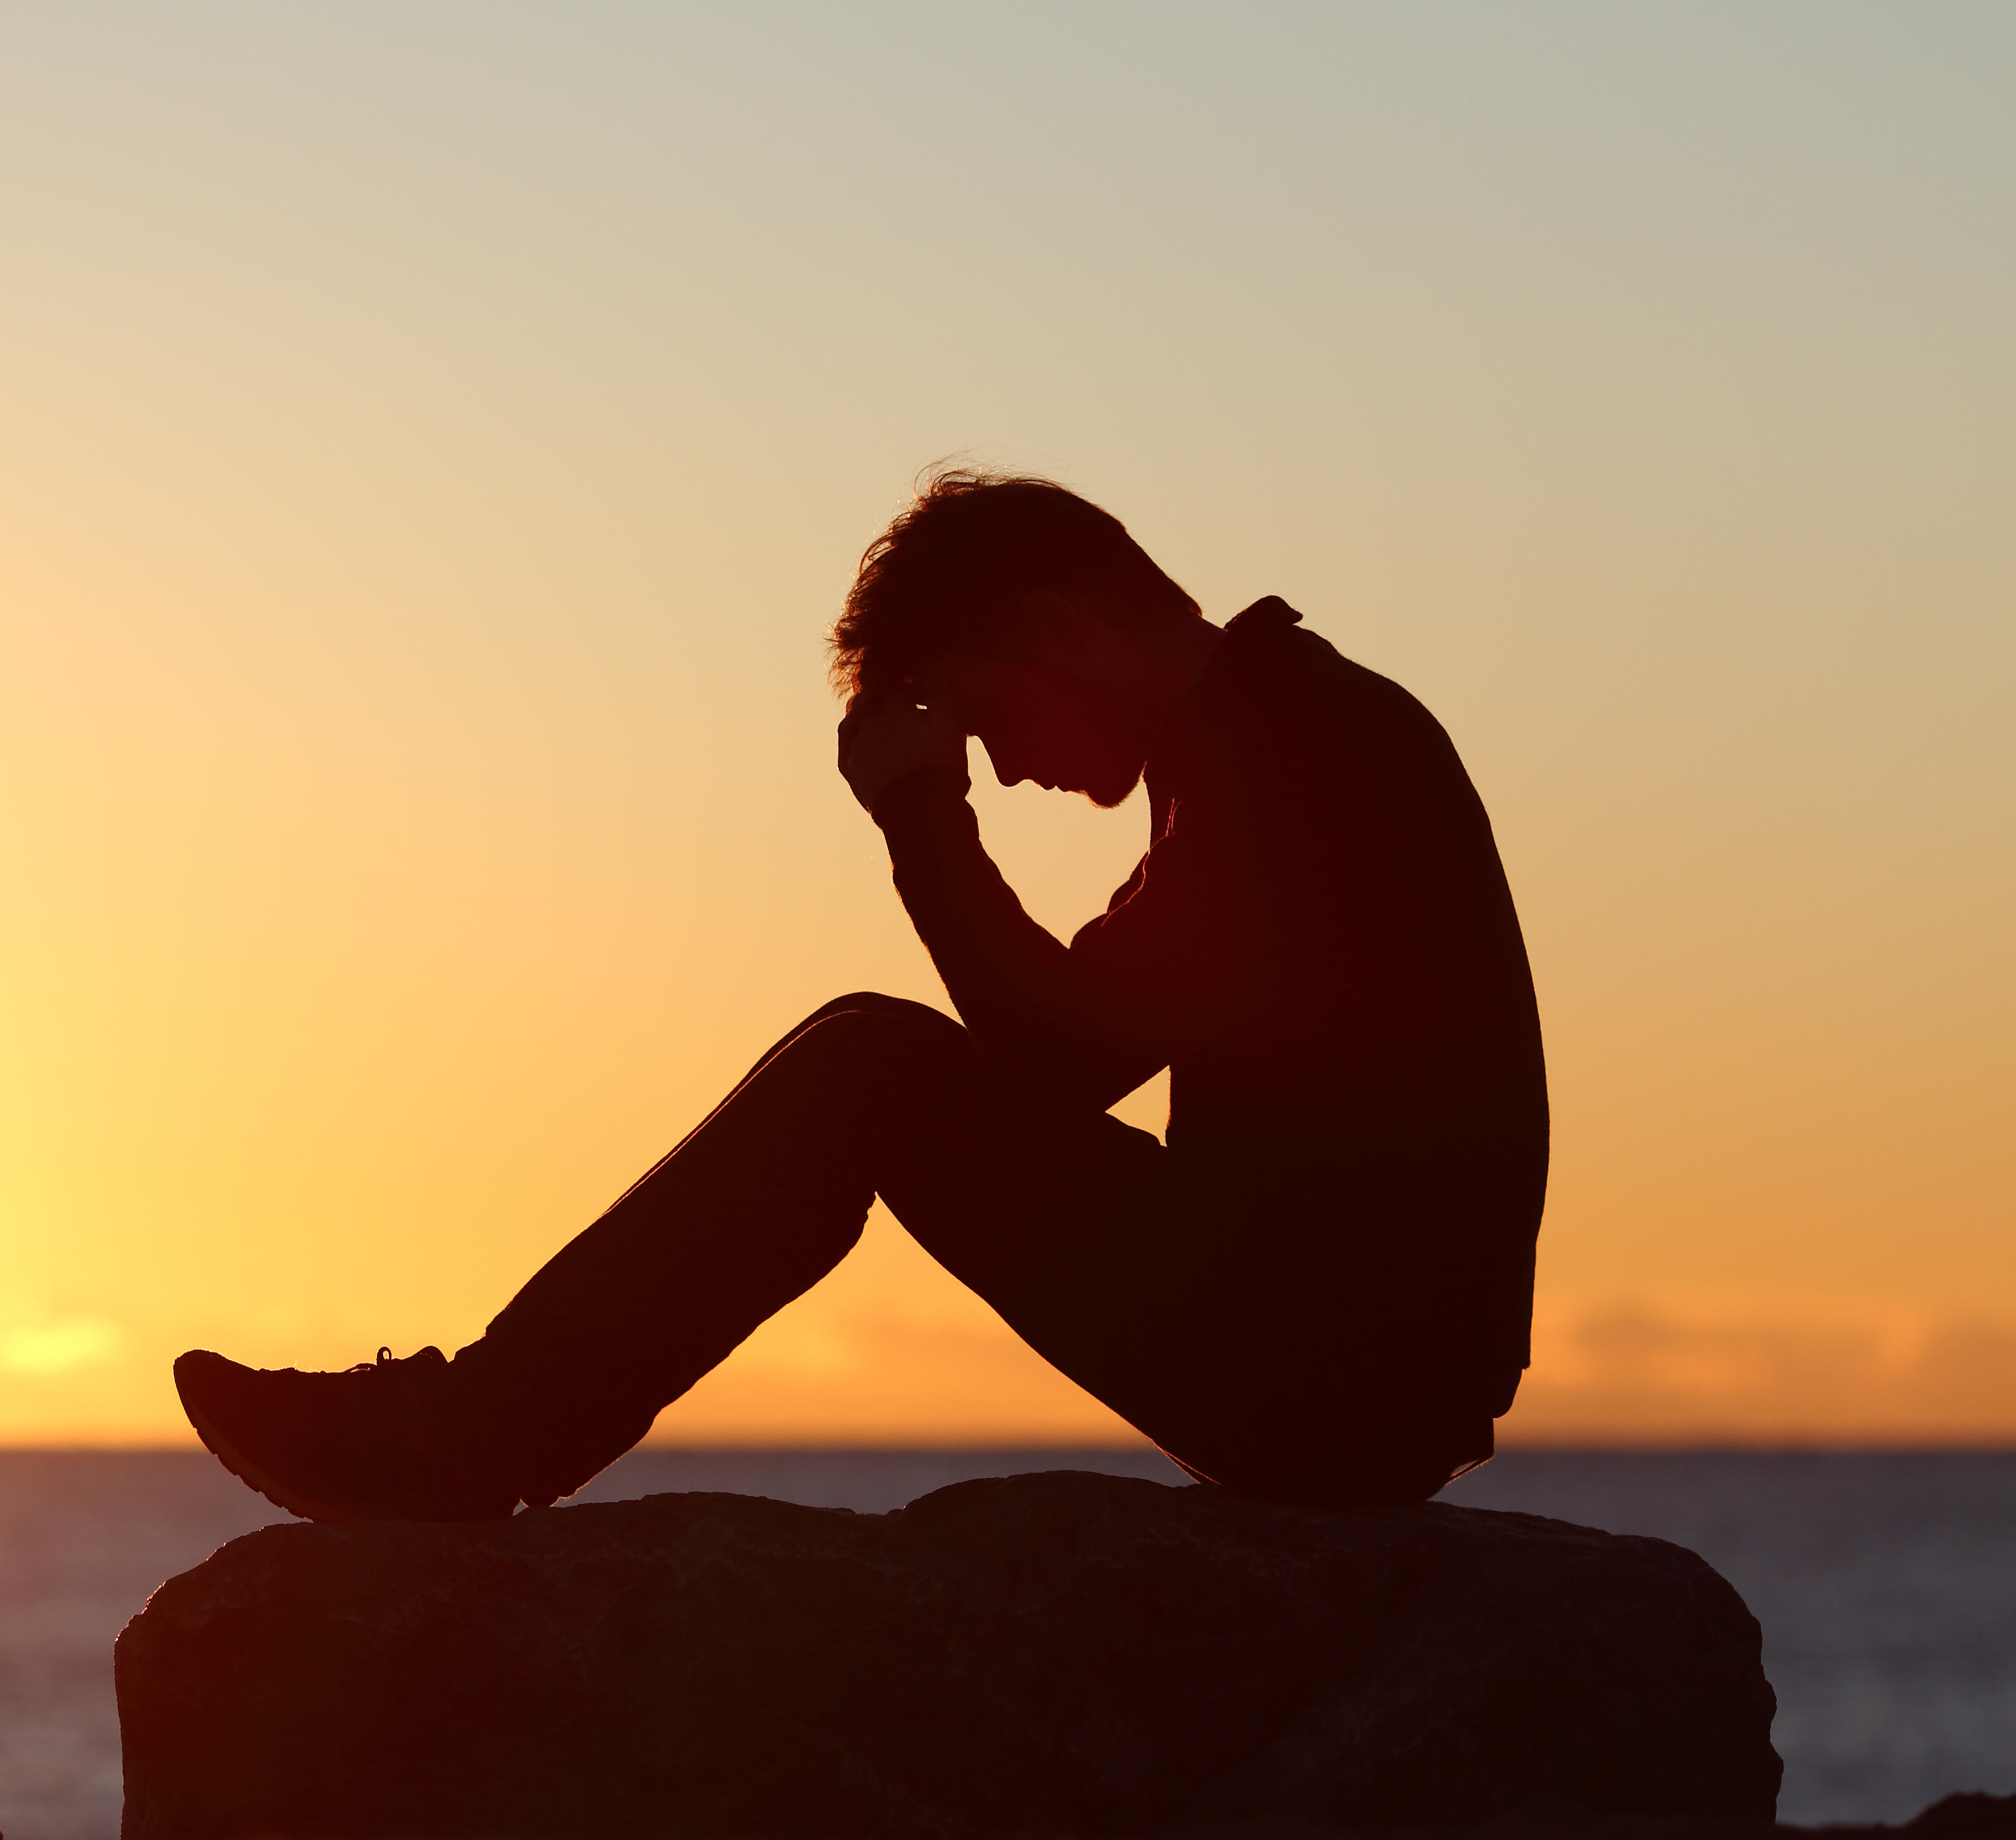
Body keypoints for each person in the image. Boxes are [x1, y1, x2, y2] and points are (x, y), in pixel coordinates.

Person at [173, 473, 1546, 1519]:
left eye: (987, 721)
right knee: (866, 1054)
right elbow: (1072, 1041)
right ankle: (470, 1426)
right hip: (1340, 1361)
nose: (1004, 771)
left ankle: (464, 1441)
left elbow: (1055, 1058)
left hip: (1339, 1382)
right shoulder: (1281, 734)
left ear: (1059, 629)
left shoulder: (1292, 751)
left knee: (868, 1073)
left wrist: (917, 816)